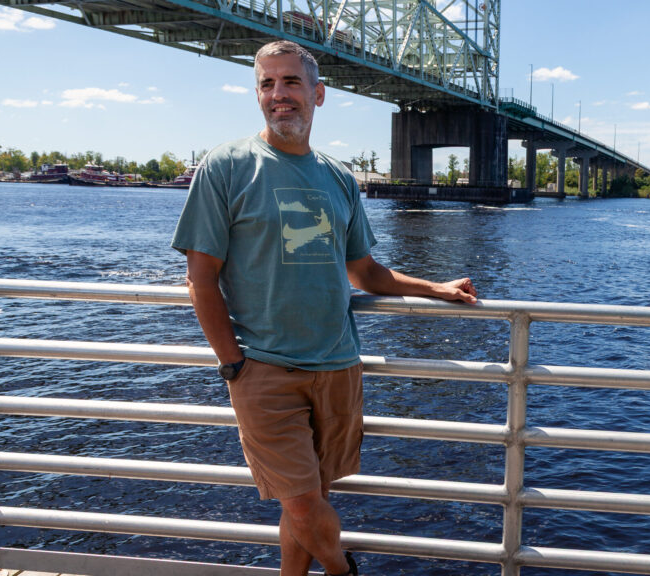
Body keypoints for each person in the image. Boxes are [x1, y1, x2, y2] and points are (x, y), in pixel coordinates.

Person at [171, 40, 477, 576]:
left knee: (309, 499)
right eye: (267, 83)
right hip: (264, 368)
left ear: (318, 94)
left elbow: (366, 273)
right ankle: (344, 571)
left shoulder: (338, 177)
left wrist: (437, 288)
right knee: (302, 504)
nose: (279, 94)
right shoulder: (227, 166)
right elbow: (201, 278)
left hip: (337, 365)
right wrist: (234, 365)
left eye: (291, 82)